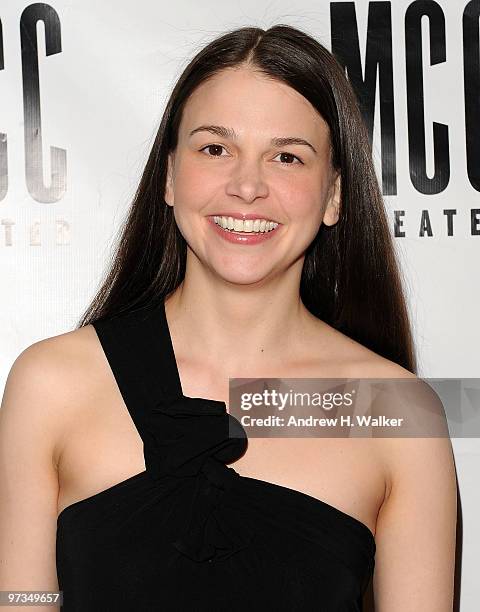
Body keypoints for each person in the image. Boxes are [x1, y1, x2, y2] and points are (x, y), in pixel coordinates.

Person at [0, 24, 457, 611]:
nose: (246, 186)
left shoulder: (392, 410)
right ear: (168, 175)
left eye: (287, 157)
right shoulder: (51, 384)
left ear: (335, 194)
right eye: (215, 149)